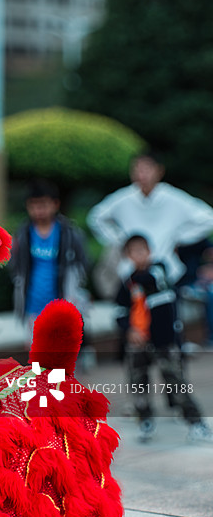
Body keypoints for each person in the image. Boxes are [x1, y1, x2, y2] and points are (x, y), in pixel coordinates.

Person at [115, 234, 212, 443]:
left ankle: (195, 423)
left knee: (176, 382)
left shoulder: (159, 273)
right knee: (138, 383)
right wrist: (130, 330)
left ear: (150, 251)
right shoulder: (127, 284)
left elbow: (156, 286)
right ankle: (145, 421)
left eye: (142, 250)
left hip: (164, 340)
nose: (139, 255)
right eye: (134, 252)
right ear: (128, 256)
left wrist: (138, 279)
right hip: (139, 342)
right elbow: (120, 312)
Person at [88, 151, 213, 286]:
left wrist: (178, 236)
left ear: (159, 171)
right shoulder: (124, 198)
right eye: (137, 169)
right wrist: (120, 239)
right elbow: (96, 217)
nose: (141, 175)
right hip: (131, 270)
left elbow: (207, 218)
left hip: (165, 267)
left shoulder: (173, 198)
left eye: (146, 169)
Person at [9, 179, 90, 343]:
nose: (38, 210)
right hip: (33, 304)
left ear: (55, 204)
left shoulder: (69, 232)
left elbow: (84, 262)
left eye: (43, 205)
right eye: (33, 205)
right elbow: (14, 264)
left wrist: (74, 289)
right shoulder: (23, 233)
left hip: (63, 302)